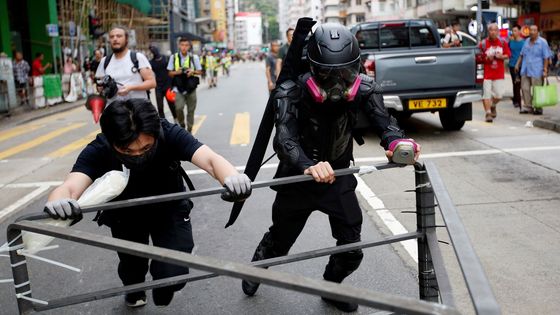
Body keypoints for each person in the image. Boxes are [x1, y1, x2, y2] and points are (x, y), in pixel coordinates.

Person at [241, 23, 421, 313]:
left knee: (351, 248)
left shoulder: (365, 86)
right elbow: (284, 141)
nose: (337, 83)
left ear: (357, 65)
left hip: (338, 176)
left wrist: (398, 143)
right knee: (280, 241)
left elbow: (385, 124)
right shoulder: (291, 91)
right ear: (313, 68)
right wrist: (309, 166)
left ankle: (331, 286)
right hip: (297, 179)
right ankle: (259, 264)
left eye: (345, 73)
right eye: (327, 74)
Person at [43, 99, 252, 308]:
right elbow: (70, 186)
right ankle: (134, 290)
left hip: (170, 208)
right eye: (127, 150)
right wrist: (59, 202)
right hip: (124, 215)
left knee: (173, 272)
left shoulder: (169, 133)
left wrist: (233, 178)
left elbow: (210, 160)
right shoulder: (100, 148)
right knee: (132, 267)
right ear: (111, 140)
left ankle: (165, 285)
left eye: (145, 148)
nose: (137, 155)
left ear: (156, 133)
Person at [95, 26, 156, 104]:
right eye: (112, 37)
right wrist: (101, 88)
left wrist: (131, 88)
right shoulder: (104, 61)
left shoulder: (137, 58)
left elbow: (152, 82)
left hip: (137, 110)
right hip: (114, 110)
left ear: (126, 39)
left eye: (119, 36)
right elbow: (99, 84)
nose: (115, 39)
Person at [167, 38, 203, 132]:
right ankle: (182, 124)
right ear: (179, 46)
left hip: (191, 88)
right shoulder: (173, 57)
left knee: (191, 111)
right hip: (178, 88)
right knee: (178, 108)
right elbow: (169, 73)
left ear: (189, 46)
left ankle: (189, 129)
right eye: (182, 45)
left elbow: (200, 71)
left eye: (186, 45)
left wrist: (192, 71)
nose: (184, 47)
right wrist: (178, 72)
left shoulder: (193, 57)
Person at [516, 25, 552, 115]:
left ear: (537, 32)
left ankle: (538, 107)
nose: (532, 32)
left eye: (534, 30)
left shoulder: (543, 42)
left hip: (537, 70)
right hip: (525, 69)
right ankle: (528, 107)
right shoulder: (527, 41)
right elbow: (522, 54)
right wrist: (517, 64)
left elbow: (546, 57)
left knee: (537, 90)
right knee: (524, 88)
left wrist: (545, 70)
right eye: (531, 30)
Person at [479, 23, 510, 123]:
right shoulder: (483, 43)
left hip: (498, 74)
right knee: (486, 95)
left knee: (499, 95)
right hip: (486, 74)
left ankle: (493, 105)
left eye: (495, 30)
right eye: (491, 30)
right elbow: (478, 58)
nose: (493, 32)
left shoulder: (503, 42)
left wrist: (502, 56)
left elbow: (508, 55)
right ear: (488, 32)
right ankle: (488, 113)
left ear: (498, 32)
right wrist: (486, 58)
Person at [149, 45, 176, 120]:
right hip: (158, 86)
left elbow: (171, 70)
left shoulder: (166, 58)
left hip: (168, 85)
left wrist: (173, 84)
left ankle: (176, 120)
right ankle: (163, 123)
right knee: (160, 107)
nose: (153, 51)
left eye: (154, 48)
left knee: (171, 105)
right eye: (151, 50)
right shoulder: (151, 62)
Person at [508, 24, 524, 109]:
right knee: (515, 83)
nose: (513, 32)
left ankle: (516, 98)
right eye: (512, 31)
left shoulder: (524, 42)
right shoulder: (510, 42)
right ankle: (517, 101)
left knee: (520, 84)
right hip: (512, 65)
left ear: (519, 31)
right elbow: (507, 52)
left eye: (515, 30)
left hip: (522, 65)